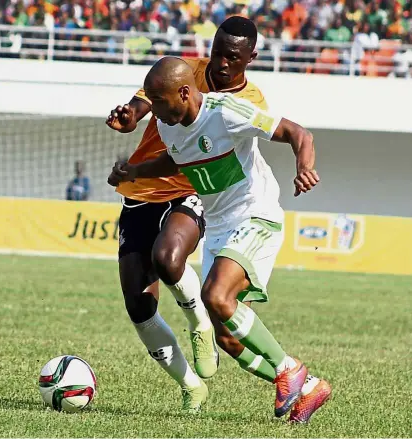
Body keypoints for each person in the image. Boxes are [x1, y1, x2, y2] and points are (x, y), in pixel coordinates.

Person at [108, 57, 332, 423]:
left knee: (215, 296)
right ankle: (308, 386)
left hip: (255, 214)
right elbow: (177, 161)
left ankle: (288, 371)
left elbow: (298, 133)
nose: (155, 111)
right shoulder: (168, 124)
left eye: (159, 102)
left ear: (184, 92)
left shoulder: (227, 111)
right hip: (220, 226)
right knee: (228, 338)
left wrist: (304, 168)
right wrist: (134, 170)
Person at [106, 16, 274, 414]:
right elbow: (144, 99)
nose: (219, 64)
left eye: (231, 57)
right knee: (138, 305)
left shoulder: (251, 101)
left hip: (193, 189)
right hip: (140, 191)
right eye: (216, 52)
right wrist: (132, 114)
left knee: (168, 257)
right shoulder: (185, 71)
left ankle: (199, 321)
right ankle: (190, 385)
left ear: (250, 58)